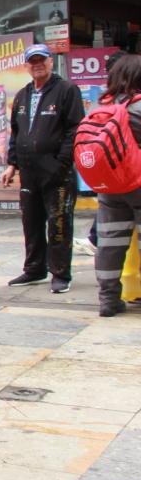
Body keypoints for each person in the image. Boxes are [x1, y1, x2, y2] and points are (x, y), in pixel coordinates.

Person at [1, 43, 85, 294]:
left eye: (42, 60)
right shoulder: (23, 95)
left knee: (58, 223)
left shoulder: (66, 90)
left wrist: (62, 162)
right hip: (29, 171)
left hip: (57, 172)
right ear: (26, 65)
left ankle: (60, 273)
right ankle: (34, 269)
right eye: (32, 61)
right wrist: (12, 164)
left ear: (51, 61)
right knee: (31, 222)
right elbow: (16, 132)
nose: (37, 65)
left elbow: (75, 129)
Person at [91, 54, 141, 317]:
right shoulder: (138, 107)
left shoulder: (103, 108)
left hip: (109, 186)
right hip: (138, 182)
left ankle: (108, 299)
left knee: (110, 242)